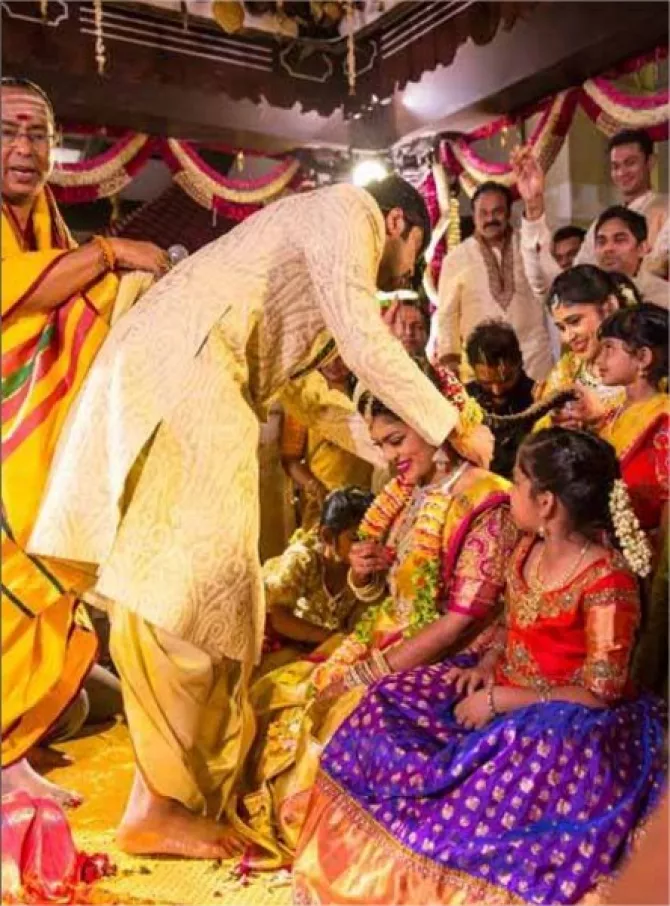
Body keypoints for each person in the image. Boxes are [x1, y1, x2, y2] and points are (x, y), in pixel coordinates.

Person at [29, 174, 494, 860]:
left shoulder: (309, 242)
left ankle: (169, 798)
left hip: (194, 375)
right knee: (187, 592)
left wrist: (396, 449)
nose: (406, 274)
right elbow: (364, 340)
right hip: (191, 373)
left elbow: (304, 392)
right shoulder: (348, 211)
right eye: (415, 253)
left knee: (210, 595)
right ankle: (156, 807)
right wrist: (452, 427)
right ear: (399, 223)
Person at [293, 428, 665, 906]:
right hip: (500, 685)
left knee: (516, 758)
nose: (509, 492)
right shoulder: (526, 550)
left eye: (518, 482)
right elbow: (513, 623)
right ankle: (368, 853)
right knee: (389, 699)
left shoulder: (607, 580)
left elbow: (601, 693)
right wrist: (489, 663)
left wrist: (501, 700)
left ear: (546, 503)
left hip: (566, 723)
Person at [233, 371, 516, 868]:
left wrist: (368, 672)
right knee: (275, 695)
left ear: (429, 422)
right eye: (381, 444)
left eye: (396, 440)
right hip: (387, 638)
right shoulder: (407, 491)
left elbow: (457, 621)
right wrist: (363, 573)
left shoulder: (486, 500)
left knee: (341, 718)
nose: (388, 456)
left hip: (454, 658)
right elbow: (385, 592)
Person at [1, 78, 166, 800]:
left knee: (49, 598)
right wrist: (109, 254)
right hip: (11, 449)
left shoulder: (46, 221)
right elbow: (19, 292)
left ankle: (13, 750)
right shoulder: (78, 243)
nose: (24, 148)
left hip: (32, 447)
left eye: (37, 134)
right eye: (8, 131)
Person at [595, 304, 669, 694]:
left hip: (646, 566)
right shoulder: (612, 414)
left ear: (643, 358)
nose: (598, 358)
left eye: (609, 348)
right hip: (605, 558)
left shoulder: (663, 421)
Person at [429, 180, 555, 383]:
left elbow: (549, 286)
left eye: (497, 212)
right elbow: (447, 315)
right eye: (483, 213)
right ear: (474, 215)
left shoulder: (528, 246)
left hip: (533, 358)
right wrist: (450, 362)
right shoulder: (456, 258)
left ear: (508, 213)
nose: (490, 219)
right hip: (480, 366)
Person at [513, 140, 669, 302]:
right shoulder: (601, 224)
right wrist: (533, 204)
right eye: (615, 166)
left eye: (630, 163)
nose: (622, 172)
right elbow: (561, 284)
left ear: (650, 162)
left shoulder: (665, 210)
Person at [261, 487, 373, 667]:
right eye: (356, 538)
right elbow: (277, 616)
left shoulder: (366, 568)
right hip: (288, 646)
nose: (366, 545)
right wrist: (328, 638)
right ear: (327, 536)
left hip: (332, 651)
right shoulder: (303, 559)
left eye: (372, 537)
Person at [534, 265, 634, 429]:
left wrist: (601, 419)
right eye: (561, 328)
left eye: (575, 322)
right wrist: (557, 425)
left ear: (609, 307)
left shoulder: (645, 368)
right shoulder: (566, 370)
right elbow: (539, 432)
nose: (568, 337)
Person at [280, 356, 371, 530]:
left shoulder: (365, 394)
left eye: (340, 357)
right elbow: (290, 460)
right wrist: (317, 488)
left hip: (366, 499)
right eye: (327, 357)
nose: (333, 364)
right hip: (323, 504)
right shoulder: (304, 399)